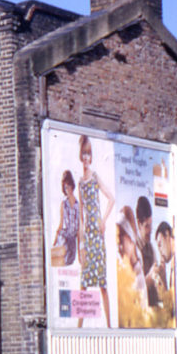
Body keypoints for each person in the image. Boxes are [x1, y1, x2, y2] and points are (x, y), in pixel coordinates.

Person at [77, 135, 114, 327]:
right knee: (84, 282)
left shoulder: (95, 177)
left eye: (88, 154)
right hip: (88, 237)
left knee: (102, 283)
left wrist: (103, 219)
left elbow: (111, 198)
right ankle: (79, 327)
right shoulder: (80, 183)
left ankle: (109, 325)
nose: (86, 157)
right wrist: (81, 245)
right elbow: (81, 216)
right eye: (83, 153)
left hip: (97, 237)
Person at [135, 196, 160, 305]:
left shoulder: (152, 248)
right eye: (146, 226)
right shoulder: (133, 249)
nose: (150, 231)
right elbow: (132, 293)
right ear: (139, 224)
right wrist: (148, 280)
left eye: (151, 225)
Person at [52, 169, 80, 265]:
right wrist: (54, 242)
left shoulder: (78, 205)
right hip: (64, 238)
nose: (67, 190)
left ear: (72, 186)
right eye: (65, 188)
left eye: (69, 187)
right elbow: (61, 224)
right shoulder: (63, 204)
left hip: (73, 240)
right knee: (62, 263)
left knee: (70, 262)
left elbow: (80, 227)